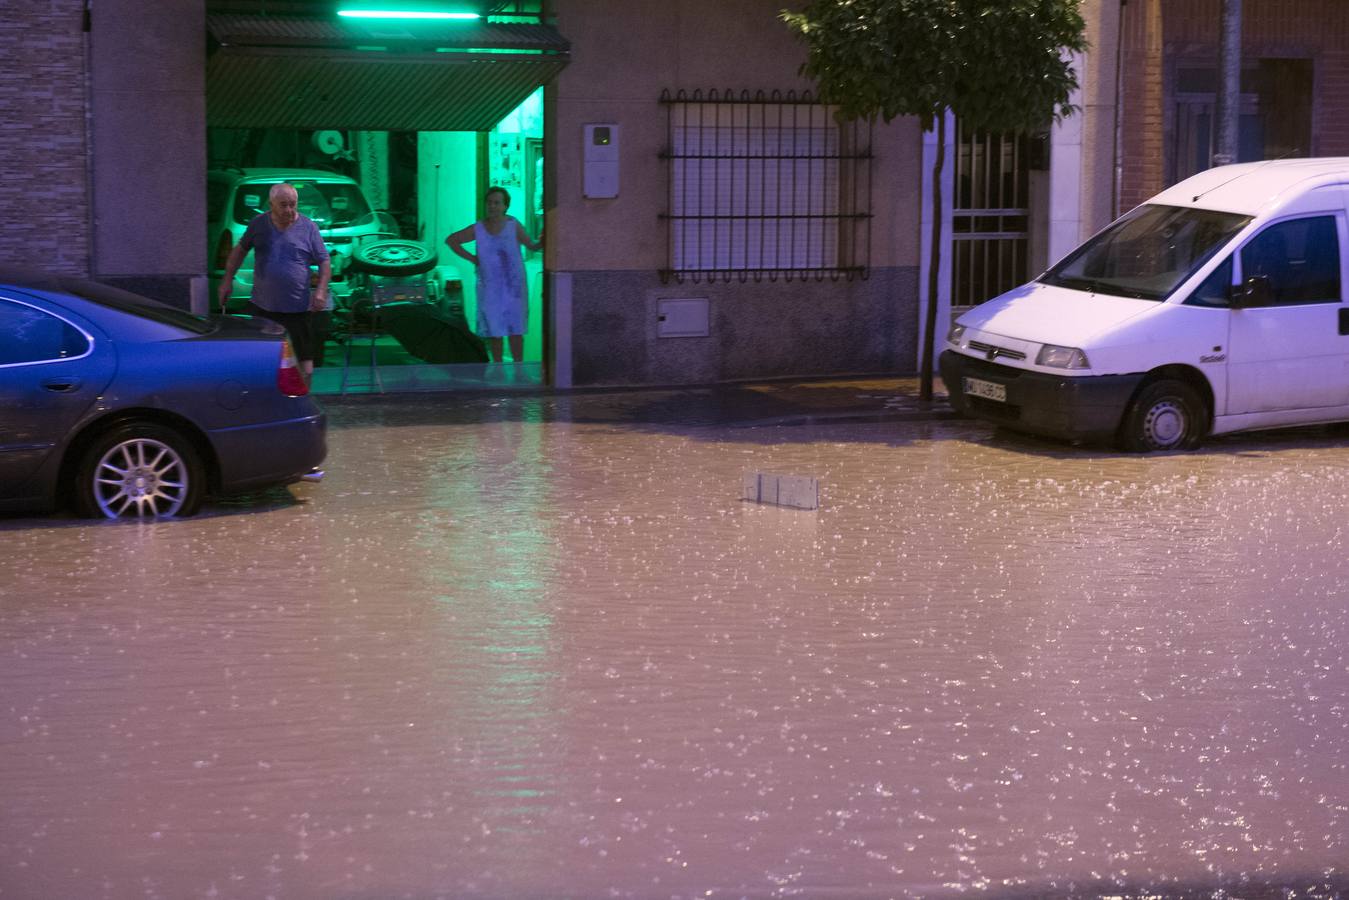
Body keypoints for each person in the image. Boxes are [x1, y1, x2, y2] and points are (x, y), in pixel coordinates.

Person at [217, 182, 331, 380]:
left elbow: (324, 260)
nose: (289, 210)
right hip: (263, 305)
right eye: (283, 205)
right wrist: (227, 280)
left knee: (305, 361)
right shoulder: (259, 224)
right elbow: (239, 251)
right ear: (271, 204)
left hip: (297, 308)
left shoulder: (308, 227)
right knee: (257, 356)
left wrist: (321, 291)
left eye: (293, 204)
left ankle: (305, 401)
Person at [445, 186, 543, 363]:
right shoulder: (478, 228)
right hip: (490, 288)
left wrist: (544, 240)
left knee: (516, 330)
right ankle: (498, 367)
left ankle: (518, 369)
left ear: (505, 206)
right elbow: (452, 240)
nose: (492, 206)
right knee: (494, 330)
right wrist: (473, 258)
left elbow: (532, 245)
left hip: (514, 288)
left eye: (497, 203)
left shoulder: (513, 225)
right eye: (489, 203)